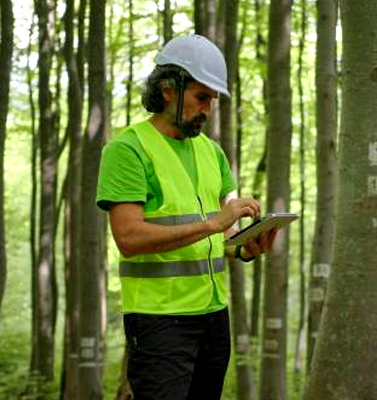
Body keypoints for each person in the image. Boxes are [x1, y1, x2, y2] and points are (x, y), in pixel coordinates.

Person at [96, 34, 276, 400]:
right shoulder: (127, 150)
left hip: (214, 317)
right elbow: (128, 239)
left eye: (213, 100)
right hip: (158, 321)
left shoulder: (214, 153)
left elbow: (219, 240)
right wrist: (213, 224)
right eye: (201, 97)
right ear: (168, 89)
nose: (208, 109)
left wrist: (244, 248)